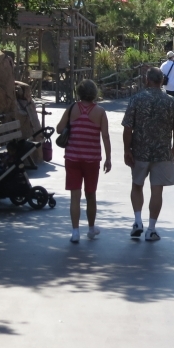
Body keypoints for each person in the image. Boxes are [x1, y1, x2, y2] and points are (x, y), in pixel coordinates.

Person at [122, 67, 174, 242]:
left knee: (137, 185)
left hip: (140, 151)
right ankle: (151, 229)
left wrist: (127, 150)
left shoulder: (136, 99)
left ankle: (137, 221)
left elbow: (128, 128)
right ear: (162, 81)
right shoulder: (171, 101)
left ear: (147, 80)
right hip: (162, 152)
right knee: (157, 189)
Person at [57, 79, 112, 243]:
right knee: (90, 194)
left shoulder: (72, 108)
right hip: (91, 159)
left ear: (79, 92)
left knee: (75, 195)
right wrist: (108, 158)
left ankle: (75, 232)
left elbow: (59, 129)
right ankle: (91, 228)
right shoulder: (100, 112)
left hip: (72, 157)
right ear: (94, 93)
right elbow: (105, 136)